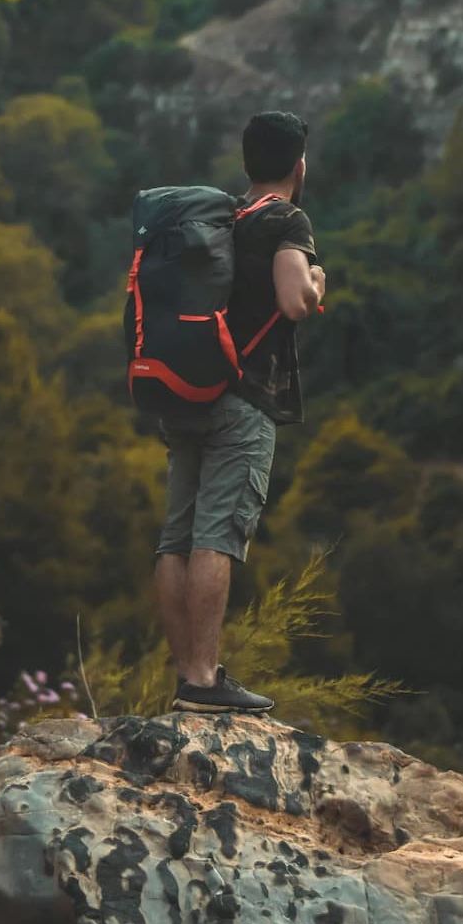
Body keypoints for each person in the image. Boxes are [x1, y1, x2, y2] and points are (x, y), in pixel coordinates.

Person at [157, 111, 325, 714]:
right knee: (216, 537)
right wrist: (317, 282)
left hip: (183, 391)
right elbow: (293, 300)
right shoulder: (288, 218)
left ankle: (188, 676)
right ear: (298, 165)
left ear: (247, 162)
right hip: (242, 398)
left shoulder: (218, 215)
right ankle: (203, 682)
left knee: (175, 538)